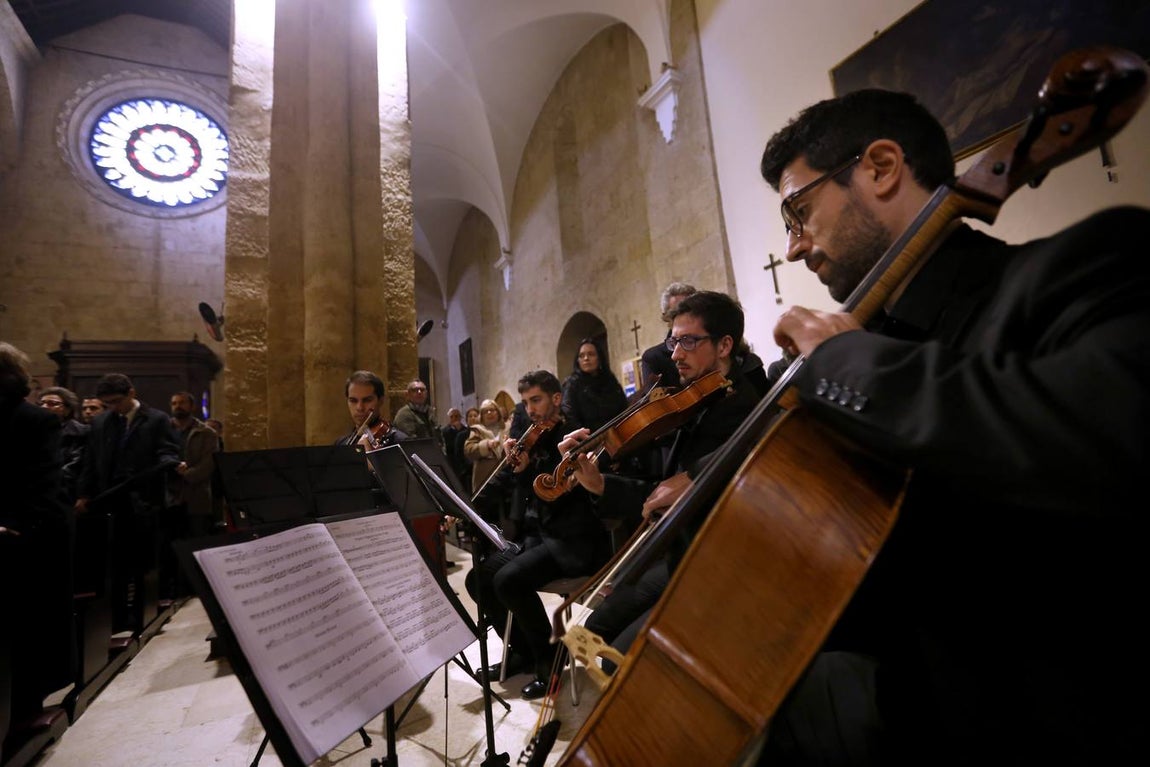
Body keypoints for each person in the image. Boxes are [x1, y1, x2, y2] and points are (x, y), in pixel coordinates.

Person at [748, 88, 1148, 764]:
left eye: (800, 211)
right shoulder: (870, 344)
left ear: (880, 167)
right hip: (901, 688)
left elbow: (1107, 434)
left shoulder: (1089, 264)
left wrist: (849, 363)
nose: (792, 248)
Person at [561, 291, 762, 668]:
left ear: (724, 346)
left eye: (689, 341)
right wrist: (600, 484)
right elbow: (663, 488)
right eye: (674, 341)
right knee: (594, 626)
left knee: (615, 660)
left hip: (711, 562)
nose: (675, 354)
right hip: (680, 553)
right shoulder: (697, 400)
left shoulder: (745, 407)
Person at [465, 371, 611, 700]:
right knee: (478, 579)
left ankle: (550, 659)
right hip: (538, 537)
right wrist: (519, 471)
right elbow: (519, 485)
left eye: (536, 400)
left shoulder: (576, 435)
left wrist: (533, 468)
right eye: (526, 403)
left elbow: (564, 494)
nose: (530, 410)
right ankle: (524, 651)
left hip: (571, 540)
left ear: (556, 398)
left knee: (508, 581)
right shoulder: (531, 437)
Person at [0, 344, 73, 731]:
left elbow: (42, 481)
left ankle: (24, 707)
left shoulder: (35, 420)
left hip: (26, 535)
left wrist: (13, 523)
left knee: (27, 628)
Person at [76, 373, 181, 632]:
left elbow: (167, 449)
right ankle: (116, 620)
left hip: (142, 499)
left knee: (142, 562)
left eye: (117, 401)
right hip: (109, 499)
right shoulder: (102, 421)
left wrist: (169, 462)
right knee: (114, 565)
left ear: (131, 393)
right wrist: (84, 494)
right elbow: (91, 460)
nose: (113, 407)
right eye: (108, 403)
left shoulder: (155, 419)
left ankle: (141, 618)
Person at [560, 337, 628, 433]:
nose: (586, 358)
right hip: (588, 438)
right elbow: (570, 417)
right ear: (577, 361)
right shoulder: (571, 384)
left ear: (599, 358)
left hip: (617, 434)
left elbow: (623, 408)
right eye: (581, 356)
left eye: (591, 354)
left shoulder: (610, 380)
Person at [639, 281, 696, 390]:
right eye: (676, 313)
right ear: (667, 318)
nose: (685, 318)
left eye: (690, 311)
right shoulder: (654, 358)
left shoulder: (709, 344)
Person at [38, 386, 89, 504]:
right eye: (42, 403)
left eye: (52, 404)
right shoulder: (32, 430)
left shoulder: (80, 433)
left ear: (67, 409)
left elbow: (75, 466)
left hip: (65, 491)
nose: (44, 407)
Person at [337, 370, 405, 448]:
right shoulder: (341, 444)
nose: (360, 408)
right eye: (353, 401)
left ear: (381, 401)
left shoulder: (400, 441)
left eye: (367, 400)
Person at [392, 379, 443, 450]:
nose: (419, 392)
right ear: (407, 394)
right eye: (414, 390)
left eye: (422, 390)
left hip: (435, 454)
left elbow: (440, 438)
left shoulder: (429, 412)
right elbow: (411, 443)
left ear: (426, 393)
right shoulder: (404, 414)